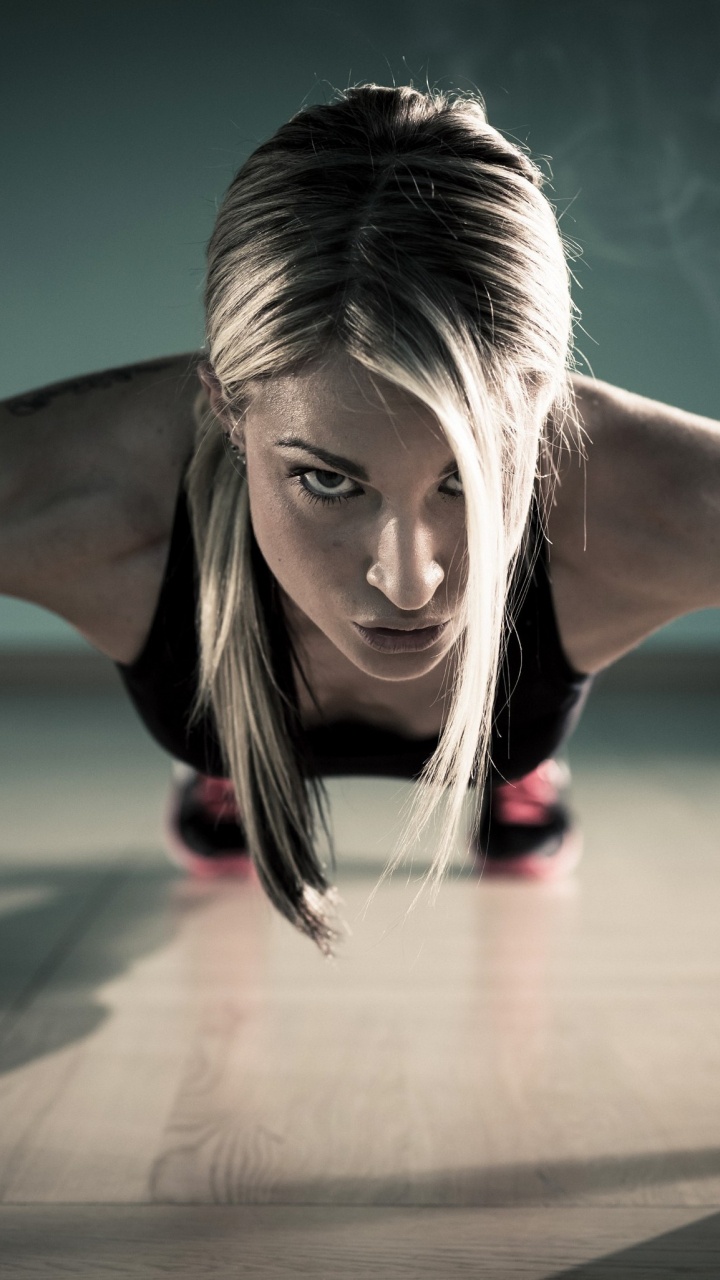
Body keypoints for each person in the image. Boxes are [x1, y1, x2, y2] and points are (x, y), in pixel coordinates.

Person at [1, 85, 718, 952]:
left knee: (505, 733)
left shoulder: (656, 505)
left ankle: (509, 771)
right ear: (229, 412)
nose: (411, 581)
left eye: (472, 473)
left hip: (513, 698)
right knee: (220, 718)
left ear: (543, 414)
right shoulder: (88, 501)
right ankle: (241, 757)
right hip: (213, 655)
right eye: (327, 482)